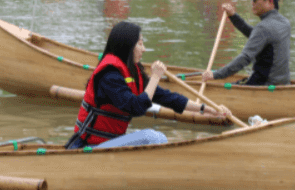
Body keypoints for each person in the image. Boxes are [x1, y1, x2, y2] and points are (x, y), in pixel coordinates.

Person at [65, 21, 224, 150]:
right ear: (127, 46)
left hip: (108, 145)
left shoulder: (133, 72)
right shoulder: (110, 75)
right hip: (87, 148)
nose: (144, 49)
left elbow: (168, 98)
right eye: (140, 44)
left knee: (157, 138)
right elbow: (136, 107)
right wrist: (155, 76)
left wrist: (205, 109)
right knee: (154, 138)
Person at [201, 0, 290, 86]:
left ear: (270, 2)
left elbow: (245, 58)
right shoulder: (285, 23)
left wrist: (215, 75)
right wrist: (233, 16)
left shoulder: (263, 27)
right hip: (283, 83)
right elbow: (257, 36)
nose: (252, 3)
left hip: (263, 85)